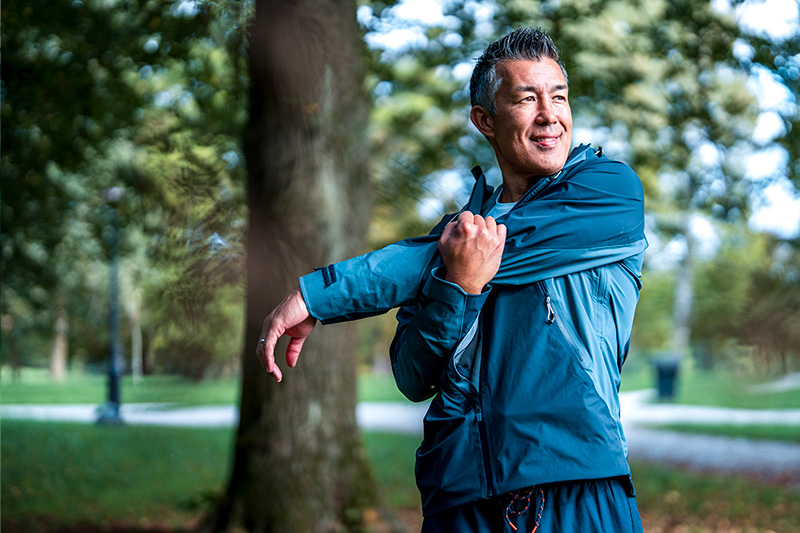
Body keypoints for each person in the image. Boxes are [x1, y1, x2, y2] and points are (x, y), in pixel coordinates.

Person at [256, 27, 647, 532]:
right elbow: (413, 374)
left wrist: (317, 294)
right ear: (484, 119)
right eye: (527, 99)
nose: (550, 115)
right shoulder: (453, 235)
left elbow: (465, 253)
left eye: (559, 97)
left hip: (572, 486)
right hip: (458, 497)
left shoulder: (607, 193)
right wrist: (458, 287)